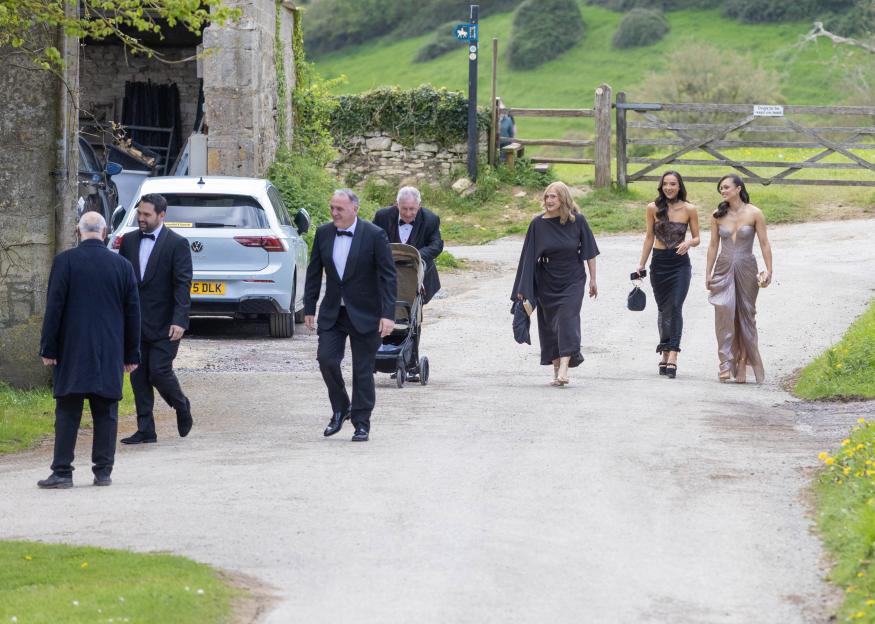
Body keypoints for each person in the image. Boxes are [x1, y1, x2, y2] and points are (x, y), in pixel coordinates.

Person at [37, 212, 140, 488]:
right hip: (109, 349)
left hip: (72, 348)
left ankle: (62, 472)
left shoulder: (64, 262)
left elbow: (54, 309)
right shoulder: (122, 266)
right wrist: (132, 354)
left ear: (78, 232)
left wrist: (48, 347)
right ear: (105, 232)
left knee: (68, 411)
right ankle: (103, 471)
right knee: (106, 410)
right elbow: (133, 314)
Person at [304, 189, 397, 442]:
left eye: (339, 209)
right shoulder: (323, 233)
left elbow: (388, 277)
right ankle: (341, 406)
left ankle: (361, 422)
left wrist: (388, 315)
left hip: (366, 313)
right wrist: (309, 307)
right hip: (333, 311)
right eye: (332, 207)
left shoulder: (375, 235)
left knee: (362, 370)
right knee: (326, 360)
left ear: (354, 208)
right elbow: (314, 272)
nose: (334, 213)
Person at [118, 193, 194, 444]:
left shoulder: (177, 244)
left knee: (159, 372)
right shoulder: (127, 241)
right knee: (138, 376)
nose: (141, 218)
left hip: (166, 323)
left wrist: (180, 319)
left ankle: (181, 405)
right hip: (135, 323)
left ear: (161, 215)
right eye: (139, 213)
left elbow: (182, 285)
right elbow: (122, 282)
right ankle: (146, 429)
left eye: (146, 215)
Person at [512, 181, 599, 387]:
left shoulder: (578, 221)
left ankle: (564, 368)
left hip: (573, 277)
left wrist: (593, 279)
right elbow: (528, 257)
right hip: (546, 278)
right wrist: (523, 289)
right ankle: (555, 367)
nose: (549, 200)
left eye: (553, 197)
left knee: (567, 318)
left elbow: (589, 252)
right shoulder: (537, 224)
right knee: (549, 323)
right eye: (547, 197)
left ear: (563, 199)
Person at [705, 174, 773, 383]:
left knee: (745, 316)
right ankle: (725, 362)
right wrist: (708, 272)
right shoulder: (717, 214)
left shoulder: (755, 213)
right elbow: (713, 245)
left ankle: (742, 364)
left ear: (738, 188)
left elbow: (764, 243)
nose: (723, 191)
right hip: (723, 266)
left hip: (746, 266)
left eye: (725, 187)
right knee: (724, 312)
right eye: (721, 189)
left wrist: (769, 270)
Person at [634, 171, 700, 379]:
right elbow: (648, 237)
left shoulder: (689, 209)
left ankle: (673, 355)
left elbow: (698, 237)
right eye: (665, 184)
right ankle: (664, 350)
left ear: (680, 186)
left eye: (673, 184)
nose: (669, 188)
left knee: (675, 307)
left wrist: (689, 242)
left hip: (680, 265)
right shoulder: (652, 208)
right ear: (661, 186)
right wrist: (641, 264)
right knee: (663, 310)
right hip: (659, 263)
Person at [372, 186, 444, 303]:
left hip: (417, 272)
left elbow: (436, 245)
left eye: (412, 209)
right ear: (397, 205)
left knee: (413, 308)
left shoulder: (431, 219)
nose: (408, 213)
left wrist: (415, 256)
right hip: (388, 269)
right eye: (404, 208)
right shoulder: (382, 216)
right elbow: (372, 240)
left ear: (419, 206)